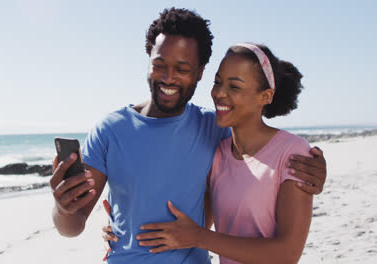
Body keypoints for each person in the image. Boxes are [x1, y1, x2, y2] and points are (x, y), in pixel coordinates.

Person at [49, 8, 327, 263]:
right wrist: (62, 208)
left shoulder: (214, 127)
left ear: (200, 72)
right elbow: (72, 227)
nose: (169, 78)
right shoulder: (109, 131)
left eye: (182, 69)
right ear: (148, 61)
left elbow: (262, 146)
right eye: (159, 65)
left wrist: (315, 168)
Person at [132, 43, 317, 263]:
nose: (220, 93)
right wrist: (121, 228)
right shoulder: (217, 155)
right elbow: (189, 223)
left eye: (235, 87)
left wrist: (199, 237)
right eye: (217, 82)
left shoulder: (293, 153)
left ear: (265, 96)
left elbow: (287, 254)